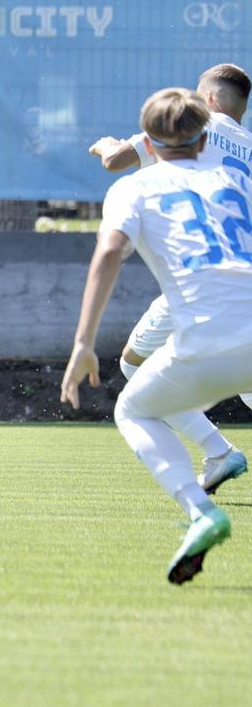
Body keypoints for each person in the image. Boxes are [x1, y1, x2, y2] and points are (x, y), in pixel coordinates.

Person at [62, 86, 252, 584]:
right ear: (202, 135)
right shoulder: (238, 178)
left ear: (149, 138)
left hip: (207, 340)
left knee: (133, 407)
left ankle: (201, 509)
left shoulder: (134, 188)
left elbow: (108, 255)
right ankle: (219, 459)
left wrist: (83, 343)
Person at [88, 63, 252, 495]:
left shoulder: (190, 128)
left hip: (203, 280)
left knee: (131, 365)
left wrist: (106, 145)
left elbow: (115, 162)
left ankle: (217, 451)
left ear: (210, 102)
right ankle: (218, 454)